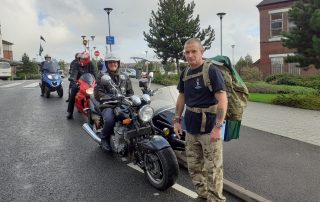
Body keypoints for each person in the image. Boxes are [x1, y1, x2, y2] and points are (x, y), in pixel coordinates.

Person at [173, 38, 228, 202]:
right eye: (187, 52)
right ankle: (203, 196)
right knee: (194, 167)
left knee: (213, 170)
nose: (190, 55)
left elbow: (223, 100)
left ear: (202, 51)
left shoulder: (211, 70)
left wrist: (218, 127)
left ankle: (215, 199)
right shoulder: (185, 73)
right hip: (191, 129)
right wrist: (176, 120)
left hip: (210, 130)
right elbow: (181, 97)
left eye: (193, 51)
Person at [94, 53, 134, 151]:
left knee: (137, 116)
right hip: (108, 104)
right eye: (110, 62)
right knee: (109, 119)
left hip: (123, 103)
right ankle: (104, 139)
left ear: (118, 63)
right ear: (107, 64)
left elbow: (130, 92)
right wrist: (111, 98)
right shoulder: (101, 76)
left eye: (115, 62)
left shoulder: (125, 76)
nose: (113, 64)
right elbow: (99, 93)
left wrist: (132, 98)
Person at [66, 52, 97, 119]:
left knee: (98, 92)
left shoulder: (91, 64)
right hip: (79, 82)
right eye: (80, 59)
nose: (81, 60)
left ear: (87, 59)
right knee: (73, 92)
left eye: (83, 59)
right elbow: (74, 73)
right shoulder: (76, 64)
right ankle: (70, 112)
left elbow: (95, 73)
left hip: (90, 83)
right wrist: (73, 79)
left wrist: (98, 81)